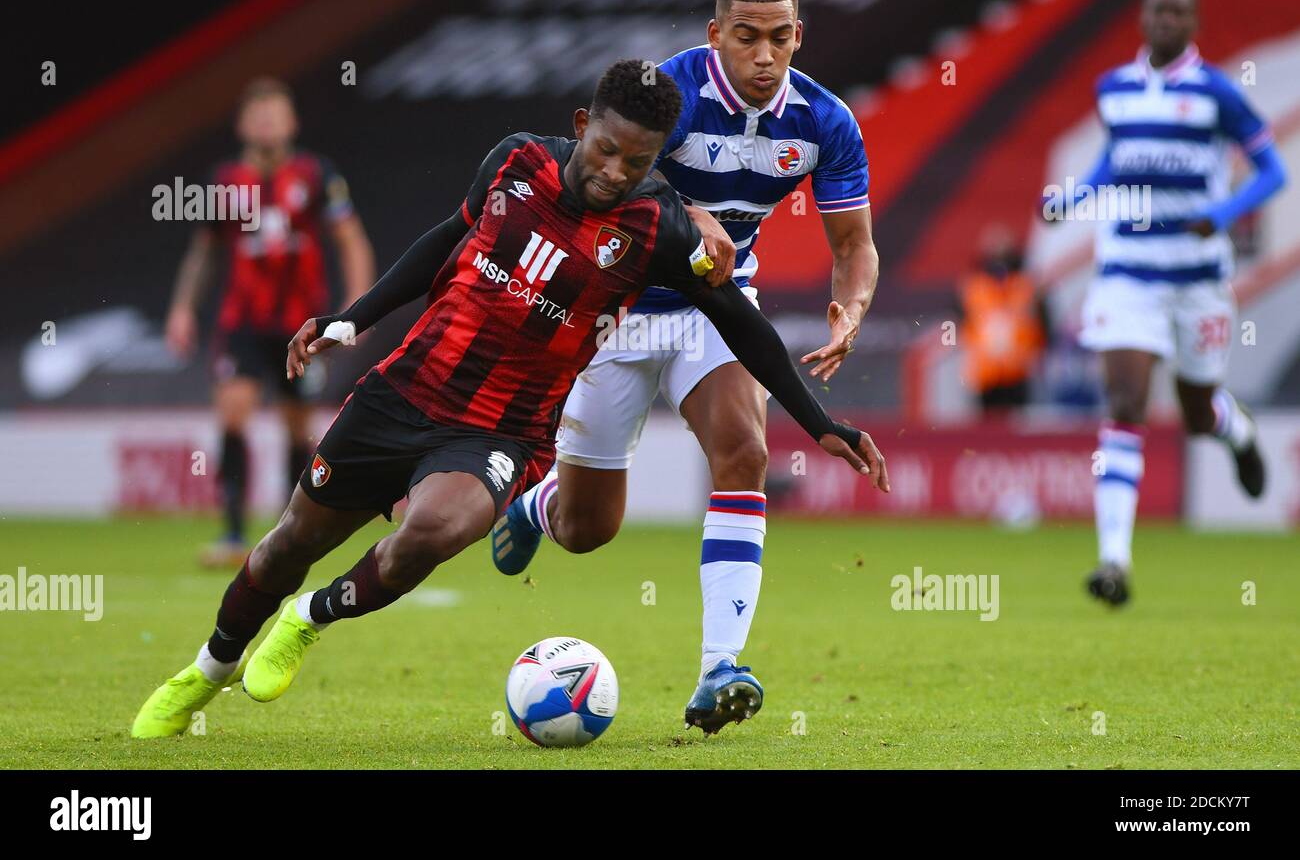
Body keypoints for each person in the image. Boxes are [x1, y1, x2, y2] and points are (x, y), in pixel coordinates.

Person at [130, 59, 888, 739]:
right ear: (582, 126)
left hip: (503, 431)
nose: (617, 171)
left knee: (435, 529)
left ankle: (309, 617)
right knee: (288, 542)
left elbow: (742, 325)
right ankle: (206, 672)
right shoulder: (514, 162)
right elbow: (443, 243)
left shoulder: (658, 230)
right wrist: (352, 318)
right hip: (403, 391)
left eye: (639, 161)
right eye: (607, 150)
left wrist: (819, 422)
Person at [489, 0, 879, 734]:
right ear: (716, 36)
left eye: (779, 38)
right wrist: (684, 209)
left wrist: (852, 308)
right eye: (746, 38)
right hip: (616, 305)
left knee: (743, 450)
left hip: (715, 308)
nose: (764, 56)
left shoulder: (825, 121)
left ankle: (718, 669)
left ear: (798, 36)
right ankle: (542, 504)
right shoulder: (667, 94)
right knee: (588, 529)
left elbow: (855, 241)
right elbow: (597, 179)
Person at [1042, 0, 1286, 605]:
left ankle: (1239, 433)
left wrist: (1224, 216)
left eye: (1179, 10)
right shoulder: (1114, 90)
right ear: (1144, 18)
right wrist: (1073, 198)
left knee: (1197, 412)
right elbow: (1114, 160)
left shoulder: (1218, 95)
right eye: (1158, 8)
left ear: (1193, 22)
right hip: (1128, 272)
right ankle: (1113, 562)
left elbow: (1272, 170)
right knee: (1125, 403)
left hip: (1198, 279)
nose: (1167, 18)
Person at [165, 77, 375, 568]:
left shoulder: (317, 174)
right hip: (242, 322)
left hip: (300, 324)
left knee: (296, 427)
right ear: (242, 124)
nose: (266, 123)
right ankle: (234, 533)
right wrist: (182, 309)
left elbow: (351, 239)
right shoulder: (225, 182)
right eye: (258, 115)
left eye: (275, 114)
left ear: (292, 122)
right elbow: (204, 253)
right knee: (233, 415)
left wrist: (357, 306)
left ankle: (289, 530)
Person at [956, 226, 1048, 414]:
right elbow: (956, 324)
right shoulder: (973, 287)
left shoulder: (1027, 286)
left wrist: (1038, 353)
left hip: (1019, 373)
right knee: (987, 432)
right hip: (985, 375)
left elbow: (1043, 325)